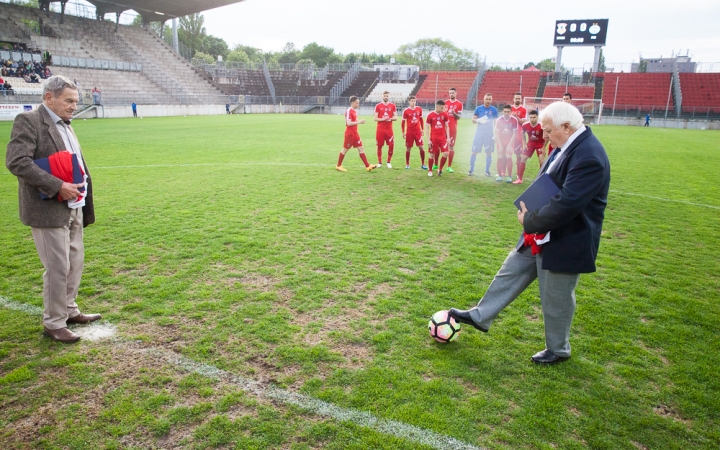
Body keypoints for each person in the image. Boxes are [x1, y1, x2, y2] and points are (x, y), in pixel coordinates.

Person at [447, 101, 611, 365]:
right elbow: (548, 181)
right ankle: (480, 315)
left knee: (556, 298)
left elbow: (568, 203)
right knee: (509, 271)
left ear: (566, 127)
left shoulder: (589, 156)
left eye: (548, 131)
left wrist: (530, 220)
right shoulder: (566, 145)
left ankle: (558, 349)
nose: (543, 135)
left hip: (565, 238)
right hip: (541, 233)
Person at [5, 75, 99, 344]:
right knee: (57, 266)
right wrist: (57, 185)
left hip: (74, 204)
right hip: (47, 208)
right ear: (49, 98)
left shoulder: (66, 124)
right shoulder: (30, 121)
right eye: (68, 101)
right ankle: (54, 323)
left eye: (76, 101)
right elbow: (17, 161)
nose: (73, 106)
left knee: (74, 262)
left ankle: (69, 310)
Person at [336, 96, 378, 173]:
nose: (358, 104)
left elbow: (353, 122)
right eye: (357, 103)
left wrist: (358, 121)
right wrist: (359, 122)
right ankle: (338, 165)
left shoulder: (354, 111)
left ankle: (367, 166)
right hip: (350, 134)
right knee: (345, 149)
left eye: (358, 103)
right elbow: (348, 123)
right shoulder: (349, 111)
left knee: (361, 148)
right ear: (352, 102)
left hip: (355, 133)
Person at [469, 93, 499, 176]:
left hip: (489, 135)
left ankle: (487, 171)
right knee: (474, 151)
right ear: (484, 99)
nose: (488, 101)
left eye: (489, 99)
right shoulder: (478, 109)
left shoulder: (494, 110)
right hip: (479, 134)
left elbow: (496, 123)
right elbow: (473, 120)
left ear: (491, 100)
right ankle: (471, 169)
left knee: (488, 153)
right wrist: (479, 120)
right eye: (487, 99)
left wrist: (496, 135)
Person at [514, 109, 546, 184]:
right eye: (531, 117)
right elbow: (523, 133)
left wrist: (543, 147)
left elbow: (546, 136)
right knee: (523, 159)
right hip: (530, 144)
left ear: (537, 117)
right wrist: (524, 144)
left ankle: (541, 179)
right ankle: (519, 179)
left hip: (540, 144)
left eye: (534, 117)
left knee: (541, 160)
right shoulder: (525, 125)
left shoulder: (541, 126)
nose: (532, 119)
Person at [494, 105, 520, 183]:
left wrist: (509, 145)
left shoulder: (514, 120)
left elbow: (514, 134)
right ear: (503, 111)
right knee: (500, 156)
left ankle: (509, 176)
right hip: (500, 140)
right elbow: (496, 133)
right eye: (505, 111)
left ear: (511, 112)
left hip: (510, 140)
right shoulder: (499, 120)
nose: (506, 113)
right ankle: (500, 175)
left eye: (508, 112)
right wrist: (500, 145)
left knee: (508, 156)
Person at [425, 100, 450, 177]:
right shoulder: (430, 115)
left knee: (446, 153)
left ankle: (440, 169)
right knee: (432, 154)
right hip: (434, 138)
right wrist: (428, 140)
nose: (443, 110)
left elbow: (447, 126)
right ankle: (430, 170)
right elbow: (426, 128)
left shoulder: (444, 115)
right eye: (442, 108)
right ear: (437, 107)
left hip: (442, 138)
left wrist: (448, 138)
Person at [401, 96, 427, 170]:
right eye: (412, 101)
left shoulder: (419, 109)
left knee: (421, 147)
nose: (413, 102)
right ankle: (407, 164)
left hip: (417, 132)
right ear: (409, 101)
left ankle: (423, 164)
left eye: (414, 101)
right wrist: (403, 132)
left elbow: (421, 119)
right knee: (408, 148)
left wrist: (422, 129)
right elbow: (403, 122)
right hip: (409, 132)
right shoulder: (406, 111)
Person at [374, 91, 397, 168]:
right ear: (382, 97)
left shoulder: (393, 106)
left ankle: (388, 161)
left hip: (389, 130)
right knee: (379, 146)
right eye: (384, 96)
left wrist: (389, 118)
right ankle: (380, 162)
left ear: (389, 97)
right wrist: (383, 119)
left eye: (387, 96)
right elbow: (375, 118)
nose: (385, 97)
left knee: (391, 145)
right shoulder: (378, 106)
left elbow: (396, 117)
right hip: (380, 129)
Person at [444, 87, 463, 173]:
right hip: (443, 128)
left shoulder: (459, 104)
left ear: (456, 93)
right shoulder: (445, 103)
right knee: (438, 146)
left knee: (451, 146)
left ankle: (449, 166)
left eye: (453, 93)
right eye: (450, 93)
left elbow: (459, 117)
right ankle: (436, 164)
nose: (451, 94)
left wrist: (453, 112)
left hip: (452, 128)